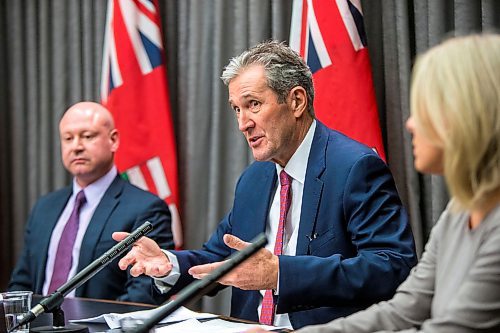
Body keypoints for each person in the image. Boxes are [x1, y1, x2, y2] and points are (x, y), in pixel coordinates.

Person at [113, 41, 417, 329]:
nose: (242, 123)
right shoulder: (254, 179)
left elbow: (391, 267)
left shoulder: (354, 167)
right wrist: (168, 263)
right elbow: (222, 258)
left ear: (296, 101)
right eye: (236, 109)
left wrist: (280, 274)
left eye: (253, 104)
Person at [251, 33, 500, 332]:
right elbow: (404, 309)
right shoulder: (459, 211)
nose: (411, 123)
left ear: (474, 116)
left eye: (428, 108)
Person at [9, 102, 174, 305]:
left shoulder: (146, 209)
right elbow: (21, 285)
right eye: (68, 138)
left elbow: (143, 295)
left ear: (113, 140)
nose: (77, 146)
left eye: (87, 136)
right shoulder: (44, 208)